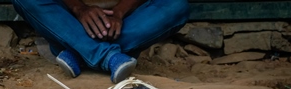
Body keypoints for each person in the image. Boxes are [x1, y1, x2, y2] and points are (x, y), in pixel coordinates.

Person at [12, 0, 190, 83]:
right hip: (72, 18)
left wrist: (120, 12)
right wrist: (79, 8)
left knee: (176, 5)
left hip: (126, 21)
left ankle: (79, 51)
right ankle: (107, 56)